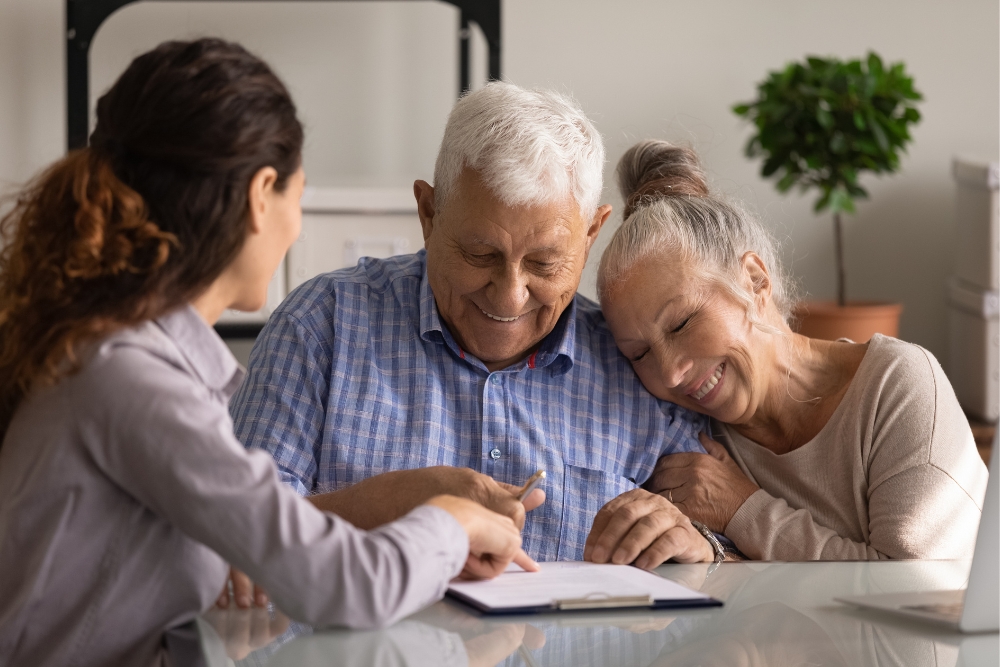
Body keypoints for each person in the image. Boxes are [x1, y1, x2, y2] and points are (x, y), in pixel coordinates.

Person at [0, 39, 535, 667]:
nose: (298, 227)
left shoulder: (125, 354)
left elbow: (270, 532)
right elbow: (346, 584)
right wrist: (450, 520)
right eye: (297, 198)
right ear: (261, 195)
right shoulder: (131, 377)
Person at [230, 82, 717, 592]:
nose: (509, 297)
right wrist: (395, 503)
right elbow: (230, 540)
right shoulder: (321, 326)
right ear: (428, 214)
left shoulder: (640, 358)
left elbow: (718, 541)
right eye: (480, 256)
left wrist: (701, 546)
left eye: (544, 263)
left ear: (592, 234)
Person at [596, 139, 989, 561]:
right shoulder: (687, 438)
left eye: (681, 323)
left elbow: (911, 589)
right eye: (639, 354)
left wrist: (743, 510)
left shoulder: (896, 385)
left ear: (754, 280)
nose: (671, 373)